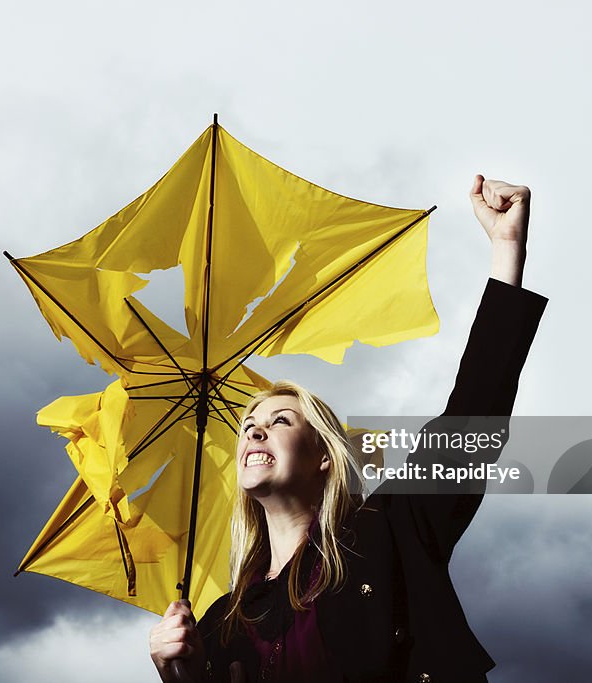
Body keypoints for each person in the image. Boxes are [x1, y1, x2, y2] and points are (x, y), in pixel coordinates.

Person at [149, 175, 548, 682]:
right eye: (249, 425)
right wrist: (179, 676)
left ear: (323, 455)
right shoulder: (218, 626)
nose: (253, 431)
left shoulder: (390, 531)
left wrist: (506, 249)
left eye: (280, 420)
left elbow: (472, 417)